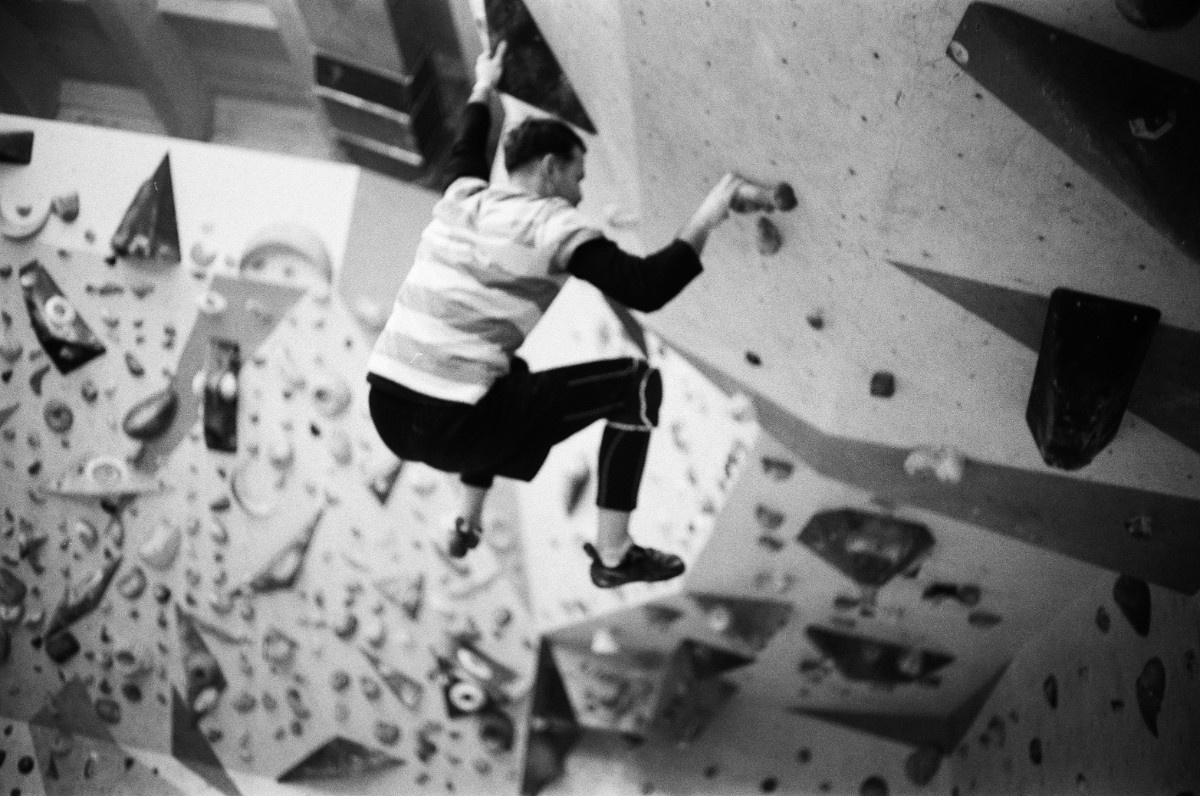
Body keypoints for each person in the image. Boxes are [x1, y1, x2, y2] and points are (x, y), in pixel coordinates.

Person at [367, 42, 756, 588]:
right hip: (458, 427)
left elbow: (470, 136)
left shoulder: (461, 196)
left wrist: (485, 81)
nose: (579, 193)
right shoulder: (553, 225)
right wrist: (709, 215)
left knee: (506, 374)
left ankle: (468, 518)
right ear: (550, 169)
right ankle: (615, 556)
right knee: (636, 385)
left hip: (388, 410)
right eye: (578, 176)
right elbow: (646, 288)